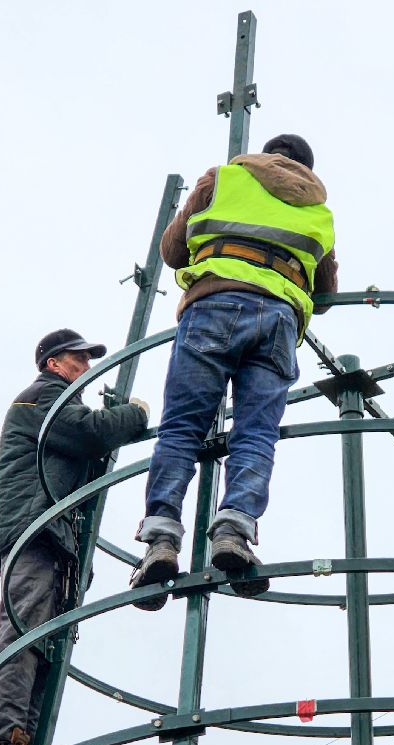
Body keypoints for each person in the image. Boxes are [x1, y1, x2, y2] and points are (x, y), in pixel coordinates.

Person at [129, 133, 338, 610]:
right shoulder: (320, 210)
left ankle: (161, 537)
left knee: (182, 428)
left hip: (214, 306)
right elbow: (324, 292)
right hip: (279, 322)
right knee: (256, 434)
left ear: (265, 154)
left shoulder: (221, 179)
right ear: (306, 168)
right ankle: (234, 531)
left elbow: (172, 251)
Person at [0, 328, 150, 745]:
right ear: (54, 363)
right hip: (34, 528)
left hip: (53, 536)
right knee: (25, 631)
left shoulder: (53, 401)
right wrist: (133, 415)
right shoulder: (41, 398)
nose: (85, 367)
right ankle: (1, 742)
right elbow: (87, 433)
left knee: (47, 647)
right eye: (79, 359)